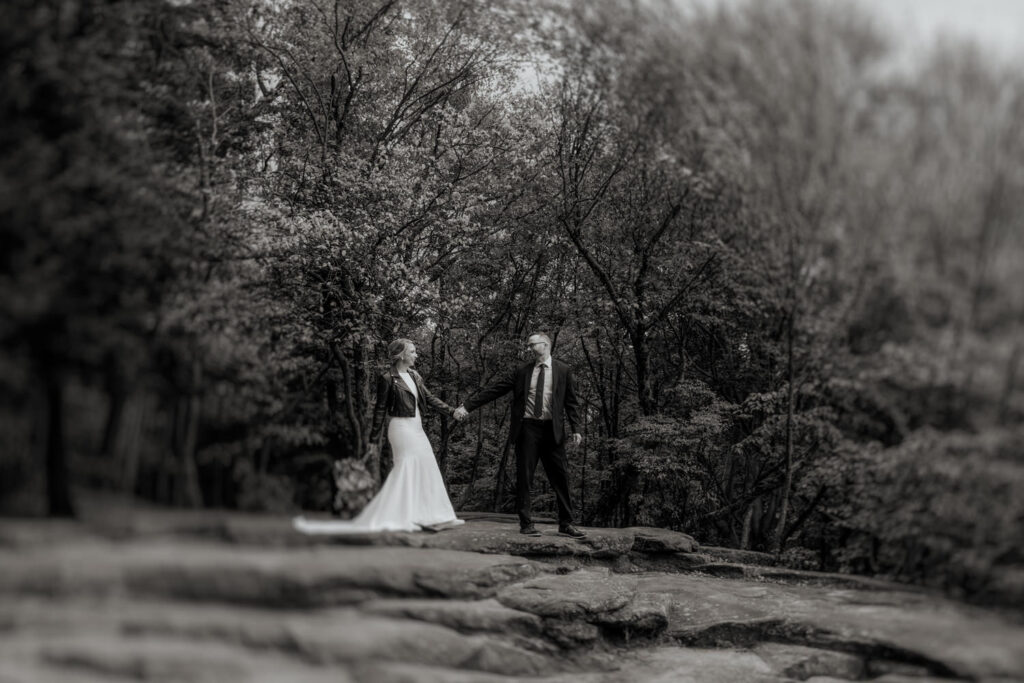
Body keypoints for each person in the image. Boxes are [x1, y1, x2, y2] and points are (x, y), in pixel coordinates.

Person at [294, 339, 464, 534]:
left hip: (417, 428)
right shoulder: (387, 378)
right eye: (413, 351)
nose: (416, 355)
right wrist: (374, 440)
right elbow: (380, 410)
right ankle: (404, 516)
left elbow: (430, 398)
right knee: (406, 467)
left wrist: (452, 412)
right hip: (400, 428)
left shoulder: (415, 376)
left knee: (427, 466)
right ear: (401, 355)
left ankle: (435, 516)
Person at [454, 333, 586, 538]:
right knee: (525, 477)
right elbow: (495, 389)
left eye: (533, 344)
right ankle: (526, 523)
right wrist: (468, 406)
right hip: (527, 429)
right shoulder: (522, 370)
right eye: (529, 345)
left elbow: (571, 402)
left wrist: (576, 428)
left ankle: (566, 523)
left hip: (553, 431)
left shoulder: (563, 370)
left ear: (545, 344)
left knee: (561, 477)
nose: (530, 348)